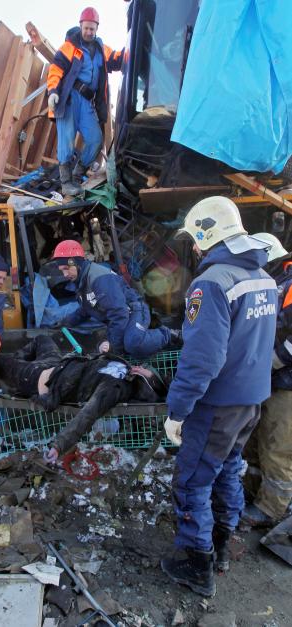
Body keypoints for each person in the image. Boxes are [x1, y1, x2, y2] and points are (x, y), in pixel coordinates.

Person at [160, 197, 278, 597]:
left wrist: (178, 409)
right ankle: (222, 549)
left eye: (194, 239)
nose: (193, 248)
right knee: (228, 469)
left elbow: (202, 360)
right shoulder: (261, 276)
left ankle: (197, 566)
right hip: (250, 402)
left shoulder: (210, 283)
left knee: (192, 480)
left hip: (217, 406)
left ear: (205, 236)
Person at [0, 334, 167, 463]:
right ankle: (12, 368)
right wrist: (103, 346)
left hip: (39, 379)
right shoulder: (125, 370)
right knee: (41, 339)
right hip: (57, 364)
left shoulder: (116, 388)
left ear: (147, 381)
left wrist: (59, 445)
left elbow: (88, 415)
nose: (140, 367)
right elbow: (102, 353)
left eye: (145, 370)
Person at [51, 239, 179, 357]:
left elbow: (119, 314)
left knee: (132, 344)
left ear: (77, 263)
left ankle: (169, 334)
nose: (65, 274)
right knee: (106, 346)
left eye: (67, 268)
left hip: (134, 311)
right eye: (62, 270)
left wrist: (115, 350)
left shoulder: (98, 279)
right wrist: (64, 323)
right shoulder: (82, 280)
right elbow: (86, 309)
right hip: (119, 318)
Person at [241, 233, 292, 526]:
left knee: (278, 447)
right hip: (272, 379)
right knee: (257, 442)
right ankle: (253, 493)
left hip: (287, 382)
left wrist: (270, 363)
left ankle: (272, 509)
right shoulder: (276, 282)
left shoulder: (288, 285)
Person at [47, 7, 124, 196]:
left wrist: (136, 49)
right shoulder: (69, 47)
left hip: (88, 103)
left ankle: (77, 173)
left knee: (96, 140)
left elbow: (117, 58)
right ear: (81, 26)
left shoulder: (100, 49)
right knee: (67, 140)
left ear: (97, 28)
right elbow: (56, 69)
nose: (89, 32)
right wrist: (53, 91)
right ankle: (66, 182)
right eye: (86, 28)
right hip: (70, 99)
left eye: (92, 29)